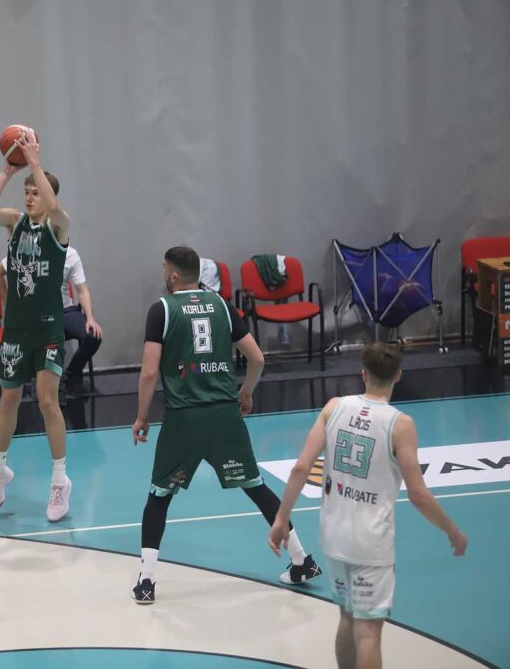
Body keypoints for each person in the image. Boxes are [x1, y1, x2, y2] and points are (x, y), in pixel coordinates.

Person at [131, 246, 320, 604]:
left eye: (164, 268)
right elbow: (258, 358)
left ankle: (147, 581)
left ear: (173, 275)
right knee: (256, 487)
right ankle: (301, 559)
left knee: (159, 497)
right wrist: (245, 392)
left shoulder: (162, 309)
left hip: (185, 417)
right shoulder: (221, 305)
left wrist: (142, 416)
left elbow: (150, 372)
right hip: (224, 416)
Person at [269, 343, 467, 669]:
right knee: (369, 633)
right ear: (398, 375)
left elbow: (301, 468)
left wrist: (281, 518)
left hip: (334, 538)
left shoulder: (334, 407)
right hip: (371, 544)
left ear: (363, 374)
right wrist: (452, 530)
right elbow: (418, 495)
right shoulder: (400, 424)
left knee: (347, 618)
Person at [0, 129, 72, 521]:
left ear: (49, 197)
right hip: (16, 329)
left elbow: (55, 207)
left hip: (48, 329)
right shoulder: (15, 223)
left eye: (36, 192)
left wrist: (34, 160)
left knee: (48, 400)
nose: (30, 197)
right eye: (27, 191)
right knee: (8, 399)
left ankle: (60, 481)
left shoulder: (59, 226)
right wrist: (7, 172)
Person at [0, 244, 103, 397]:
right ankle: (45, 383)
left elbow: (82, 290)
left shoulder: (70, 254)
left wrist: (90, 318)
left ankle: (70, 375)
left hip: (65, 311)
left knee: (93, 336)